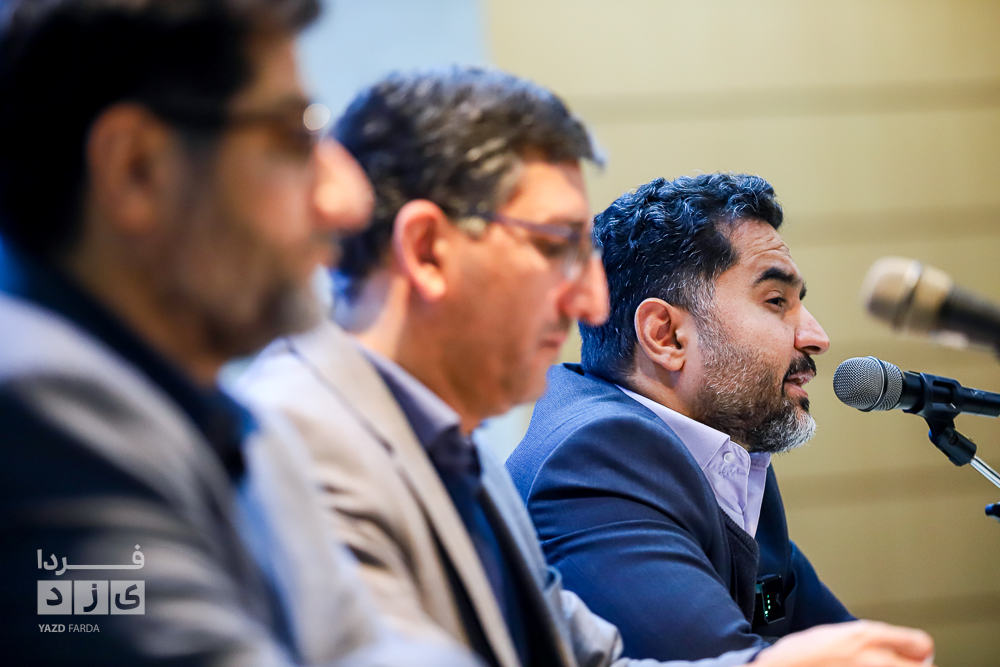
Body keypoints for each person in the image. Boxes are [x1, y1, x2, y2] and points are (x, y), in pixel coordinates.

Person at [236, 68, 935, 667]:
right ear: (426, 250)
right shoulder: (298, 438)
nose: (591, 300)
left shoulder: (458, 452)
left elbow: (593, 660)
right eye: (555, 246)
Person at [0, 2, 476, 666]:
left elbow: (360, 649)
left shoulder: (247, 427)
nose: (349, 200)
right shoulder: (37, 408)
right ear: (137, 168)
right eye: (295, 136)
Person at [506, 174, 853, 661]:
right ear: (666, 336)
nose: (816, 336)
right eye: (777, 301)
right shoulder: (595, 459)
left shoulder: (733, 451)